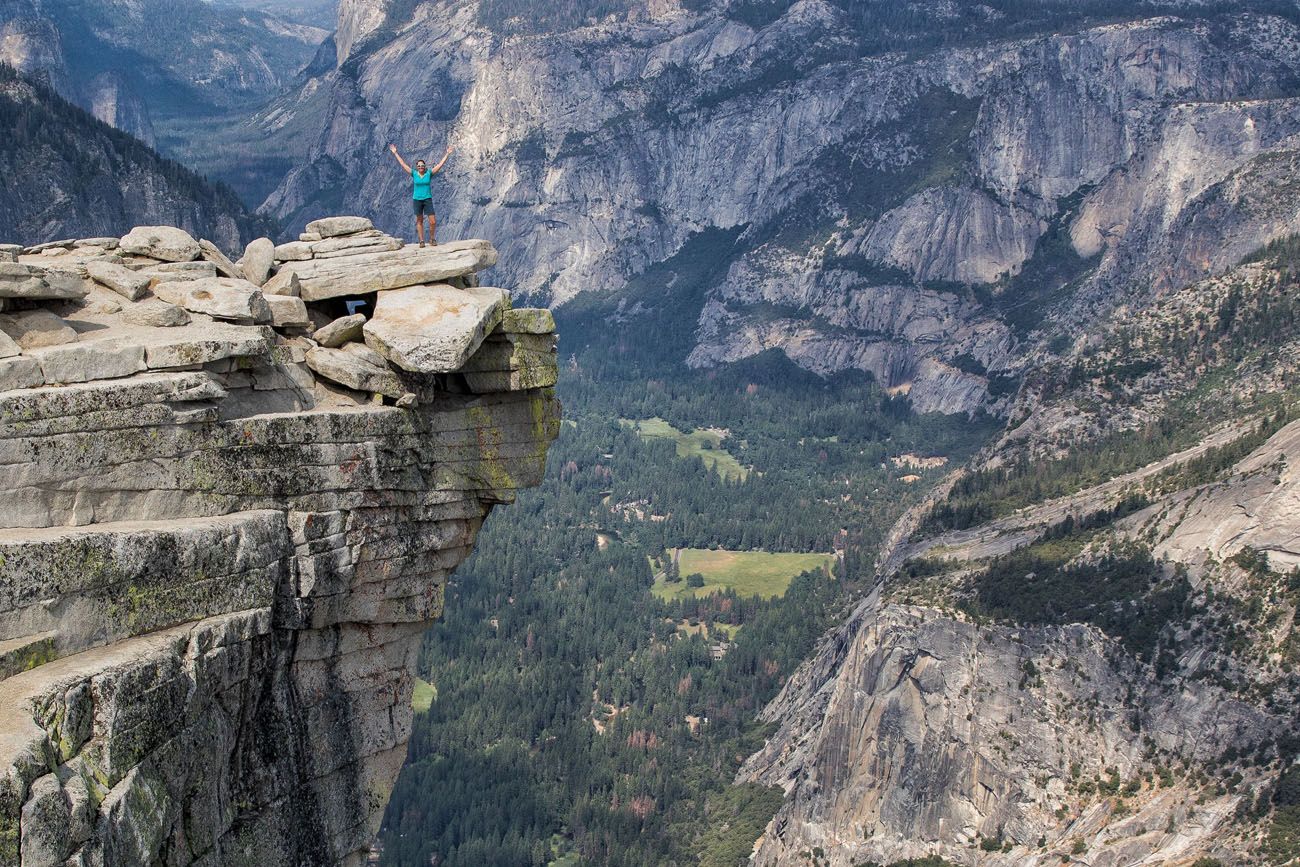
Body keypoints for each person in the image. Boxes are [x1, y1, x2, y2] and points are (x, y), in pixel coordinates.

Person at [388, 143, 454, 247]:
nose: (421, 167)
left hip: (427, 199)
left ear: (425, 167)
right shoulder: (414, 173)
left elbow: (439, 165)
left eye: (422, 166)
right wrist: (395, 153)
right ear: (417, 167)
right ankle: (421, 241)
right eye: (419, 166)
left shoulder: (429, 173)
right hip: (417, 200)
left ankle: (432, 239)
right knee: (419, 221)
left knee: (432, 221)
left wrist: (447, 154)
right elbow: (403, 164)